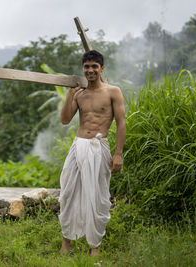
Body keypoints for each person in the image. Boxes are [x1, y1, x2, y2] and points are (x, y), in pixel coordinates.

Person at [58, 50, 126, 257]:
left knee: (97, 195)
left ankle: (94, 245)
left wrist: (118, 154)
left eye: (94, 66)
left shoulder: (113, 92)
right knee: (68, 193)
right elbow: (65, 119)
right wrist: (70, 95)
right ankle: (66, 242)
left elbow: (122, 123)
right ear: (83, 69)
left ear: (102, 69)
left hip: (99, 148)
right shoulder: (80, 94)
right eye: (87, 67)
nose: (90, 70)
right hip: (78, 146)